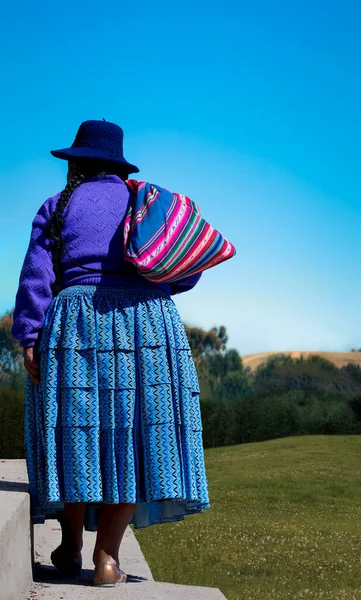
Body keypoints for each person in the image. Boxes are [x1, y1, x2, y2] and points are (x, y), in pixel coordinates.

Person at [11, 119, 210, 587]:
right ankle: (107, 561)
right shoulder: (146, 203)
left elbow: (36, 280)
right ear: (118, 164)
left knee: (77, 436)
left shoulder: (56, 206)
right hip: (146, 323)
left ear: (76, 162)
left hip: (73, 322)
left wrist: (29, 337)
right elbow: (186, 267)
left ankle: (70, 544)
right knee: (132, 440)